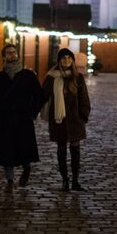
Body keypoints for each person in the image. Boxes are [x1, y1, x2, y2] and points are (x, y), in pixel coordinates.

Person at [0, 43, 43, 193]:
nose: (12, 54)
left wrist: (33, 112)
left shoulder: (28, 75)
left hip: (23, 118)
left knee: (24, 147)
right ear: (4, 56)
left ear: (18, 54)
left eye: (14, 52)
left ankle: (26, 169)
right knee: (7, 151)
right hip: (6, 119)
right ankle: (9, 180)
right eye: (9, 52)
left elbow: (38, 95)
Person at [42, 48, 91, 192]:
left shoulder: (78, 78)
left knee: (75, 152)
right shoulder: (51, 77)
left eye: (69, 58)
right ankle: (65, 180)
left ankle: (75, 180)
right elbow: (43, 95)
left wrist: (84, 115)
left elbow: (84, 98)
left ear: (72, 61)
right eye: (63, 58)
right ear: (59, 60)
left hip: (75, 120)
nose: (66, 60)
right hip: (59, 120)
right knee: (61, 151)